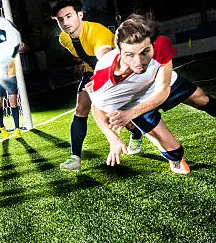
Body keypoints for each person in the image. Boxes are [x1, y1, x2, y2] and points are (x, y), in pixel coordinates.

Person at [88, 14, 216, 174]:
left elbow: (163, 91)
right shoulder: (103, 76)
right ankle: (173, 159)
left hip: (158, 82)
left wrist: (131, 114)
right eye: (130, 55)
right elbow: (96, 108)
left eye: (144, 52)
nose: (139, 62)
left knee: (202, 99)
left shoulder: (161, 44)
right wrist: (112, 137)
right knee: (174, 152)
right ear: (119, 50)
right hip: (134, 102)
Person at [52, 0, 144, 172]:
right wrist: (82, 65)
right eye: (60, 19)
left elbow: (105, 58)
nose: (65, 22)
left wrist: (99, 80)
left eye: (69, 16)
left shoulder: (97, 32)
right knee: (81, 109)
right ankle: (75, 158)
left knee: (111, 112)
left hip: (114, 70)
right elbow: (80, 53)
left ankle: (136, 132)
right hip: (91, 71)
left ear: (80, 15)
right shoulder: (63, 38)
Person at [0, 43, 26, 139]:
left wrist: (21, 48)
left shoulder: (12, 39)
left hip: (11, 75)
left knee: (13, 102)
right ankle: (2, 128)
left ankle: (17, 129)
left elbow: (25, 48)